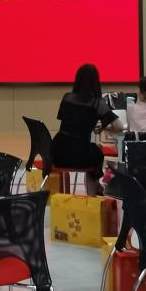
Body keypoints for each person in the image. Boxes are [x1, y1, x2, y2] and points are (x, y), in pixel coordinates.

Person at [52, 63, 123, 195]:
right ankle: (93, 190)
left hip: (58, 152)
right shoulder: (97, 103)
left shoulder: (67, 97)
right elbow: (119, 126)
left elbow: (67, 120)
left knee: (92, 150)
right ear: (95, 82)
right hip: (81, 155)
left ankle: (94, 187)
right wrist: (103, 127)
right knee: (97, 153)